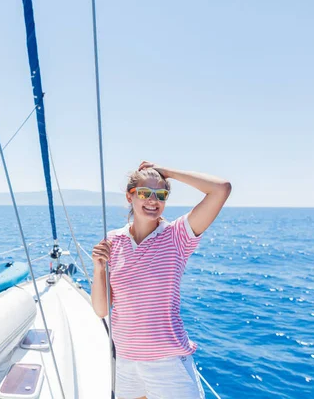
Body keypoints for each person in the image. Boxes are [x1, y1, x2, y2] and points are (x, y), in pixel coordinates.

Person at [91, 161, 231, 399]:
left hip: (168, 364)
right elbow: (102, 309)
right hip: (126, 360)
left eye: (161, 194)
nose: (153, 200)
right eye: (145, 193)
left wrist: (169, 172)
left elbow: (221, 189)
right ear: (129, 196)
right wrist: (98, 269)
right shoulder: (114, 240)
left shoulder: (178, 235)